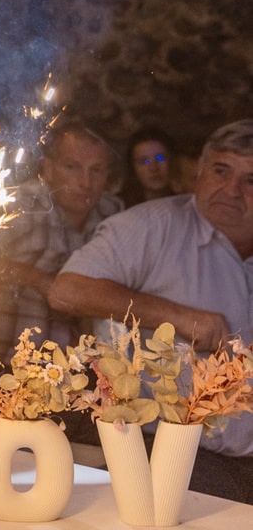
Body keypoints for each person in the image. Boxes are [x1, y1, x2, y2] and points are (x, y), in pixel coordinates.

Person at [50, 119, 253, 498]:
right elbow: (66, 290)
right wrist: (177, 317)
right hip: (175, 459)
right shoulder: (150, 227)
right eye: (221, 171)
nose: (232, 190)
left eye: (251, 180)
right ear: (200, 171)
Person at [0, 119, 122, 355]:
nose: (85, 183)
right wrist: (38, 280)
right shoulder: (18, 208)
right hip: (6, 363)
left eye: (96, 170)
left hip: (80, 371)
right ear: (47, 169)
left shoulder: (112, 215)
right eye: (72, 167)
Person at [122, 125, 176, 205]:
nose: (154, 168)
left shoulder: (190, 201)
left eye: (160, 158)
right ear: (133, 168)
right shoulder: (118, 207)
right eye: (144, 161)